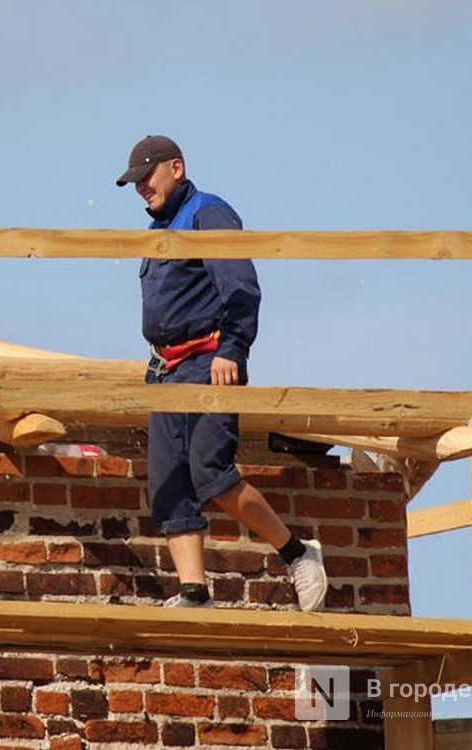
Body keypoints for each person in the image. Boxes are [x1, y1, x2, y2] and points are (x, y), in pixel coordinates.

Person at [116, 135, 327, 611]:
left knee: (209, 471)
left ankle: (297, 553)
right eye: (135, 183)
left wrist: (231, 348)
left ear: (176, 167)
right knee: (169, 483)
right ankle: (193, 591)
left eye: (147, 177)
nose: (141, 189)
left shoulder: (207, 213)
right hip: (166, 370)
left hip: (208, 362)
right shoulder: (162, 229)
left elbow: (241, 287)